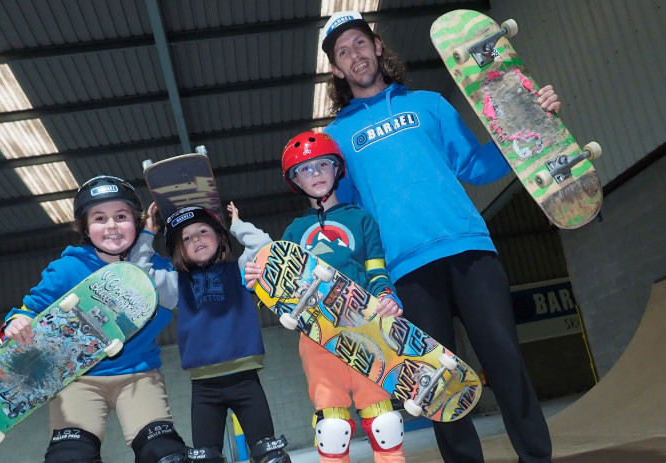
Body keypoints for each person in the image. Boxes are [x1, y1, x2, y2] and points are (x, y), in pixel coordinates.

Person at [317, 10, 561, 463]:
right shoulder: (335, 138)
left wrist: (533, 123)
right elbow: (346, 217)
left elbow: (476, 166)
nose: (355, 55)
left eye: (359, 44)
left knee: (506, 362)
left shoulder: (428, 104)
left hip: (468, 248)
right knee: (440, 387)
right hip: (404, 270)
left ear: (377, 47)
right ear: (336, 68)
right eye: (342, 52)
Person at [0, 175, 188, 463]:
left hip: (138, 374)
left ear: (136, 223)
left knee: (163, 453)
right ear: (86, 228)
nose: (111, 225)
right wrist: (15, 324)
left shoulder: (157, 269)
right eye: (100, 218)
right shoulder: (67, 269)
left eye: (121, 216)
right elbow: (30, 309)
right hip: (78, 378)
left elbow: (197, 295)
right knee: (70, 457)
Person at [244, 131, 407, 463]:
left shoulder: (360, 219)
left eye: (323, 165)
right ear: (295, 180)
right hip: (317, 335)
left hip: (366, 328)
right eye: (305, 169)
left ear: (337, 170)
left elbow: (376, 271)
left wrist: (388, 297)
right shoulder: (292, 231)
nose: (315, 174)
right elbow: (281, 289)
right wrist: (258, 282)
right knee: (332, 429)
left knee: (385, 422)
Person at [129, 202, 291, 463]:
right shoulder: (174, 284)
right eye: (187, 238)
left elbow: (264, 247)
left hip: (246, 381)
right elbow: (139, 276)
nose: (196, 239)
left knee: (270, 456)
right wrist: (147, 235)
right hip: (204, 388)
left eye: (203, 231)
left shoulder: (240, 270)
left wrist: (237, 225)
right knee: (205, 459)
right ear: (179, 249)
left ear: (219, 236)